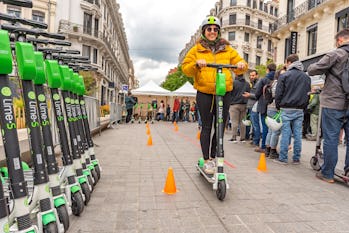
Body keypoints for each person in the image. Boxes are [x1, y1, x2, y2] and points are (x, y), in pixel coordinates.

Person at [182, 16, 248, 174]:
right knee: (206, 126)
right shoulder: (197, 49)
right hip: (205, 92)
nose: (212, 32)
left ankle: (214, 156)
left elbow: (241, 65)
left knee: (220, 126)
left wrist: (240, 65)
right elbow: (186, 68)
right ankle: (206, 160)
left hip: (224, 92)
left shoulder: (227, 49)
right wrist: (196, 64)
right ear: (204, 31)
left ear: (218, 32)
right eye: (209, 29)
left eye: (215, 29)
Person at [307, 28, 349, 183]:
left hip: (333, 103)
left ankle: (328, 174)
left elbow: (312, 69)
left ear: (339, 40)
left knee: (331, 138)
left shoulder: (335, 54)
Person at [274, 54, 311, 165]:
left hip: (286, 107)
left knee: (286, 133)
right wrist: (304, 106)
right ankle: (296, 159)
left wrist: (278, 105)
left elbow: (278, 93)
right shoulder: (306, 77)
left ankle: (283, 158)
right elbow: (308, 94)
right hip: (299, 109)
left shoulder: (285, 76)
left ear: (289, 62)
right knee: (298, 134)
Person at [254, 63, 276, 153]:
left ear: (267, 69)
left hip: (263, 105)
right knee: (272, 127)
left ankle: (263, 146)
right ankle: (270, 146)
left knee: (264, 126)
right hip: (274, 106)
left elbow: (257, 93)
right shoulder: (277, 79)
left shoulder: (263, 80)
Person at [228, 74, 250, 143]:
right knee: (242, 122)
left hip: (234, 105)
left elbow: (230, 93)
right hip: (244, 104)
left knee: (234, 121)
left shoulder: (233, 83)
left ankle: (234, 137)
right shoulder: (247, 84)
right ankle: (242, 138)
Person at [242, 70, 259, 145]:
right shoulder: (251, 84)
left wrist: (250, 95)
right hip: (250, 106)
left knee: (255, 124)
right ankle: (252, 137)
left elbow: (258, 96)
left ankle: (256, 140)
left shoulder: (258, 84)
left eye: (253, 75)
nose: (251, 77)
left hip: (254, 107)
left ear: (257, 76)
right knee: (250, 123)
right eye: (250, 75)